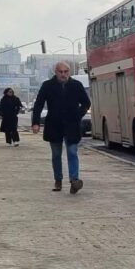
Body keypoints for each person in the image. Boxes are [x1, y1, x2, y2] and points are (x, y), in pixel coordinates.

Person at [32, 62, 91, 193]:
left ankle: (74, 180)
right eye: (61, 72)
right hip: (54, 124)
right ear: (56, 72)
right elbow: (38, 105)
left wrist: (78, 115)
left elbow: (86, 103)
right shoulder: (47, 86)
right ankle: (58, 179)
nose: (63, 74)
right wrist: (35, 123)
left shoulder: (76, 85)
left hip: (72, 125)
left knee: (72, 152)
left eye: (66, 72)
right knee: (56, 154)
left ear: (69, 72)